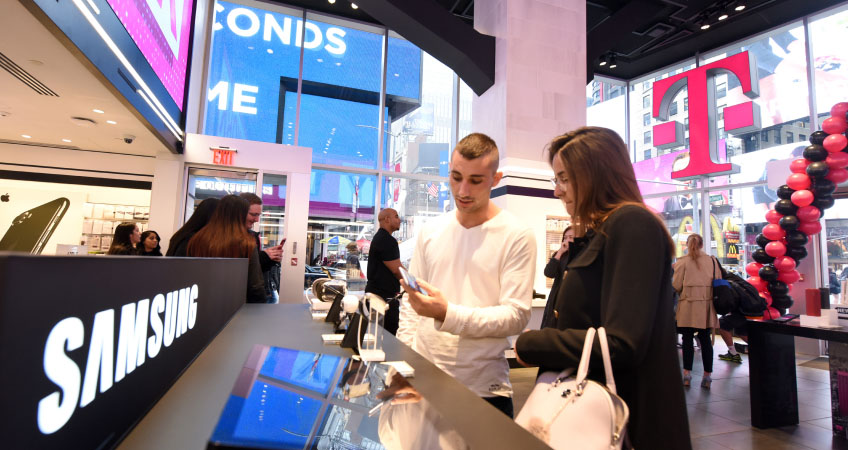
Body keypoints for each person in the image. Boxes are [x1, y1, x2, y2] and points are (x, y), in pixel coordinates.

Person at [513, 127, 691, 449]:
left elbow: (624, 343)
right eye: (557, 179)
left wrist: (533, 343)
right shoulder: (603, 231)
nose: (557, 190)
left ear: (596, 174)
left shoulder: (632, 224)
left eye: (564, 178)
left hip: (626, 422)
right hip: (596, 414)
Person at [397, 133, 537, 418]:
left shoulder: (517, 235)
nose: (462, 190)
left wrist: (447, 313)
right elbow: (411, 307)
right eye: (456, 177)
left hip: (484, 388)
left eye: (475, 180)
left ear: (495, 179)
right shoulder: (430, 231)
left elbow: (516, 315)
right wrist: (405, 363)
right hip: (424, 380)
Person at [186, 195, 265, 303]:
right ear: (239, 215)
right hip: (234, 306)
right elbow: (255, 286)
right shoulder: (246, 243)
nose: (256, 219)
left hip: (200, 303)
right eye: (252, 214)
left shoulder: (197, 239)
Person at [673, 234, 719, 389]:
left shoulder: (682, 262)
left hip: (688, 305)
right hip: (706, 306)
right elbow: (718, 282)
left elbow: (676, 285)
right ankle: (707, 376)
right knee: (706, 340)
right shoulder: (712, 261)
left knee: (687, 339)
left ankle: (687, 374)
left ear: (687, 244)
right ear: (702, 245)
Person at [366, 208, 404, 335]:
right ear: (387, 219)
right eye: (396, 216)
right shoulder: (387, 240)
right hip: (382, 299)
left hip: (378, 297)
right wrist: (415, 284)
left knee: (379, 335)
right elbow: (397, 270)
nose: (400, 220)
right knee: (388, 338)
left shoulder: (381, 238)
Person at [239, 193, 283, 302]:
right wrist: (263, 257)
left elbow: (255, 271)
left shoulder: (252, 236)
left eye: (258, 215)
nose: (257, 219)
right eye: (253, 214)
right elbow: (239, 271)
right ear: (240, 212)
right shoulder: (231, 237)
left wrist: (270, 259)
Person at [541, 225, 574, 329]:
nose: (567, 240)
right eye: (565, 237)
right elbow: (549, 273)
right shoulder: (560, 255)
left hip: (569, 301)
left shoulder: (582, 256)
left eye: (571, 237)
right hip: (555, 299)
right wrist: (560, 252)